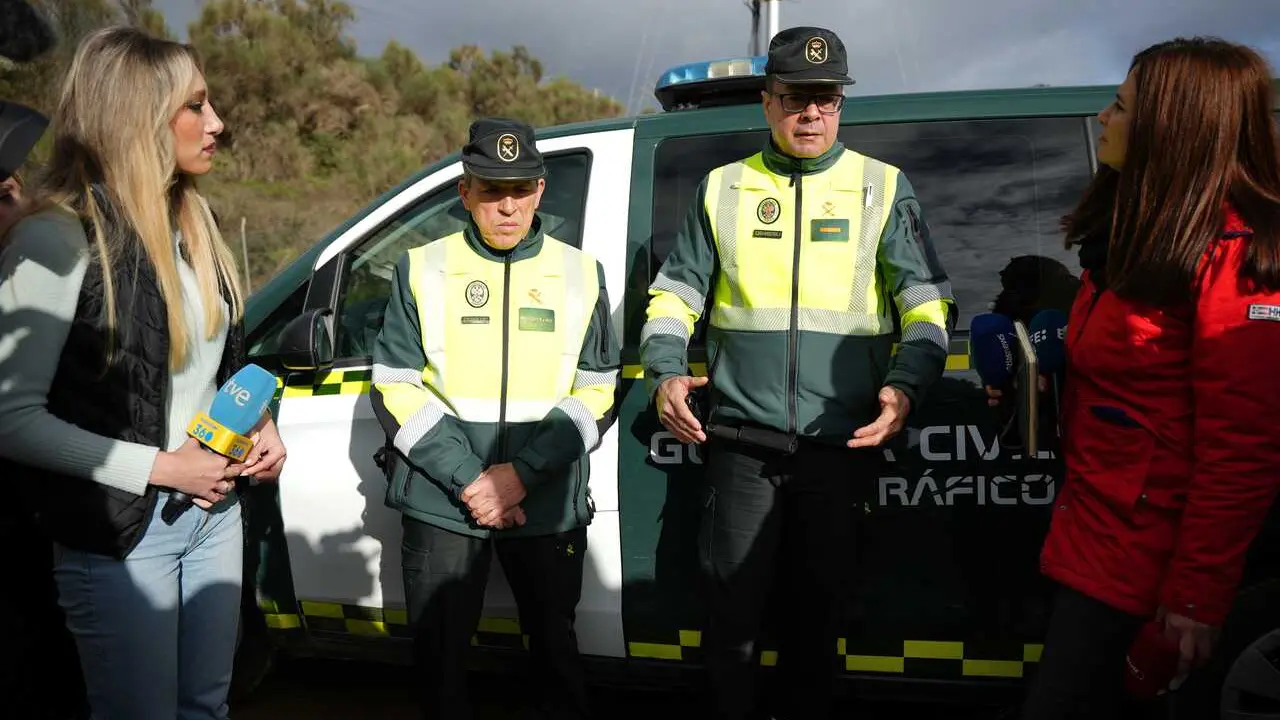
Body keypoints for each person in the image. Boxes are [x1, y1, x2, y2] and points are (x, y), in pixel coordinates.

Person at [641, 26, 957, 720]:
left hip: (839, 445)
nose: (811, 114)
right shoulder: (722, 188)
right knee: (732, 625)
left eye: (826, 98)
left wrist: (907, 386)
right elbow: (675, 295)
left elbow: (927, 303)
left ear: (841, 103)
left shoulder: (883, 186)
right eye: (795, 99)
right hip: (741, 444)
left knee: (819, 624)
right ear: (767, 102)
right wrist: (664, 369)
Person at [0, 26, 287, 720]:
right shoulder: (57, 237)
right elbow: (11, 421)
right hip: (122, 537)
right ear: (136, 115)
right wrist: (164, 469)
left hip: (216, 517)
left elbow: (219, 360)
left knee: (207, 709)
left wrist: (263, 424)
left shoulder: (196, 221)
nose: (217, 123)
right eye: (196, 106)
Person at [1003, 37, 1280, 719]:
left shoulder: (1237, 260)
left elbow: (1241, 451)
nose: (1103, 117)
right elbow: (1139, 373)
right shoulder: (1143, 231)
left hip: (1146, 572)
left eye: (1120, 106)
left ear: (1171, 126)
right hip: (1098, 545)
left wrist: (1192, 601)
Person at [369, 117, 621, 720]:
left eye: (520, 190)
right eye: (490, 191)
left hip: (547, 500)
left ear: (540, 190)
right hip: (444, 501)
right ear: (465, 193)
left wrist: (521, 474)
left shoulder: (581, 274)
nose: (507, 206)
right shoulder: (420, 267)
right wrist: (472, 480)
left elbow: (598, 388)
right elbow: (394, 387)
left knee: (558, 659)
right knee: (442, 665)